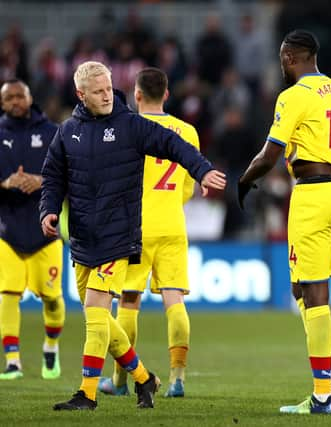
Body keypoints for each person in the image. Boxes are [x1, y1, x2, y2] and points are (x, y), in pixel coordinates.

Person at [39, 61, 226, 410]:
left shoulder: (129, 125)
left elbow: (173, 144)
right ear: (81, 95)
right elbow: (52, 178)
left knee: (97, 312)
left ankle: (88, 393)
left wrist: (202, 170)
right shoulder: (67, 132)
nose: (108, 95)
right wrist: (48, 209)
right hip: (83, 238)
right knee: (100, 317)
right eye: (98, 91)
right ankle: (145, 379)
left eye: (110, 87)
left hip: (119, 235)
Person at [238, 29, 331, 415]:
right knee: (301, 287)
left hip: (314, 195)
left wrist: (244, 181)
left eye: (281, 59)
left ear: (290, 57)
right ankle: (330, 374)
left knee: (315, 289)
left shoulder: (293, 96)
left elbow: (269, 154)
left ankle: (322, 395)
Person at [97, 67, 198, 398]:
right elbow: (187, 187)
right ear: (167, 94)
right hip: (172, 224)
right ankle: (178, 379)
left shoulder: (126, 129)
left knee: (128, 301)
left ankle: (120, 380)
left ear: (136, 95)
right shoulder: (188, 131)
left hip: (135, 227)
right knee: (175, 300)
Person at [0, 79, 64, 380]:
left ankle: (51, 347)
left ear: (30, 98)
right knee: (8, 294)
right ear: (2, 104)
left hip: (45, 232)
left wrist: (42, 181)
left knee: (52, 299)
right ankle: (12, 361)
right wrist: (5, 184)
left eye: (19, 96)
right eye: (9, 97)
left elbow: (70, 176)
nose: (15, 101)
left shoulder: (52, 132)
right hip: (7, 230)